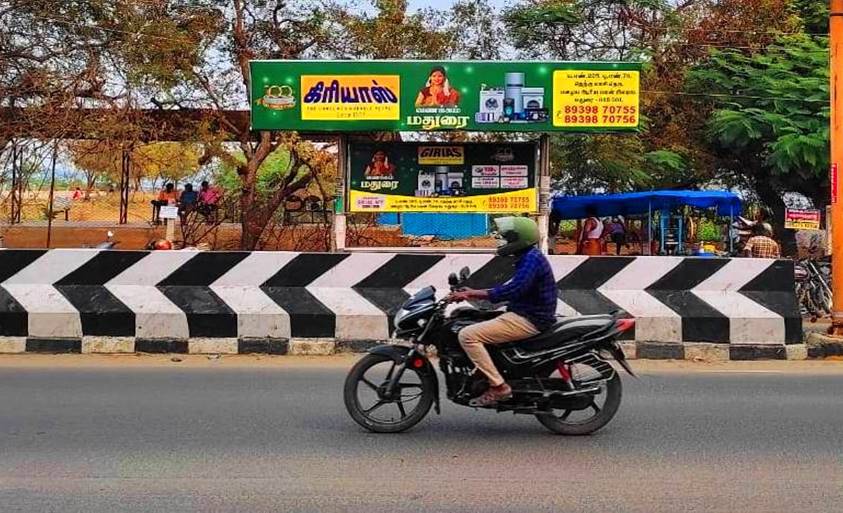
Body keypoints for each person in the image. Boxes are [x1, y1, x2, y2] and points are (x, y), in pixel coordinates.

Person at [446, 217, 557, 407]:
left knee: (467, 335)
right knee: (476, 321)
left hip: (530, 319)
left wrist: (472, 294)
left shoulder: (531, 259)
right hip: (525, 313)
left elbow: (513, 290)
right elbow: (512, 288)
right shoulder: (529, 257)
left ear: (519, 239)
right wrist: (473, 292)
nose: (503, 241)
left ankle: (499, 387)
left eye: (507, 238)